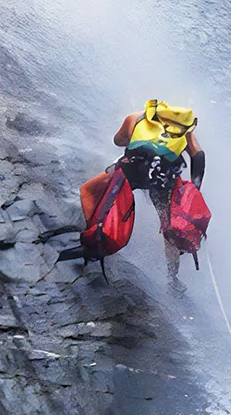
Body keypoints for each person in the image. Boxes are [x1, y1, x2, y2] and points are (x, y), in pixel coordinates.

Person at [78, 99, 205, 291]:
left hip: (132, 172)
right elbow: (198, 155)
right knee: (169, 231)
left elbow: (118, 141)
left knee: (87, 191)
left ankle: (95, 236)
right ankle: (172, 279)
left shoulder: (135, 118)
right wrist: (194, 191)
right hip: (164, 179)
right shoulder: (184, 129)